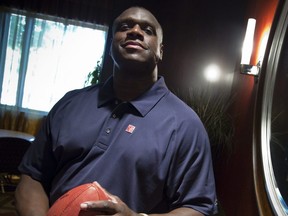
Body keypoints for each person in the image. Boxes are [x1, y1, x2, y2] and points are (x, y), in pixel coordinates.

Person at [15, 6, 217, 216]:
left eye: (148, 30)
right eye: (125, 26)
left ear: (160, 51)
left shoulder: (185, 124)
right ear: (111, 44)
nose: (135, 31)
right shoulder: (69, 104)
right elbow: (32, 177)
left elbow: (198, 208)